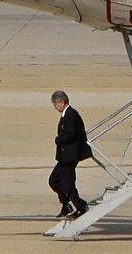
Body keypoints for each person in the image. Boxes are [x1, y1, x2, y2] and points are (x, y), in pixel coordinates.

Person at [47, 90, 90, 218]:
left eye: (55, 104)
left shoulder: (71, 114)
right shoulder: (67, 114)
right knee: (54, 181)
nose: (54, 107)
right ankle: (66, 204)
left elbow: (70, 134)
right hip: (64, 157)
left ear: (62, 102)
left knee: (68, 184)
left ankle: (81, 206)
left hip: (70, 157)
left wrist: (58, 139)